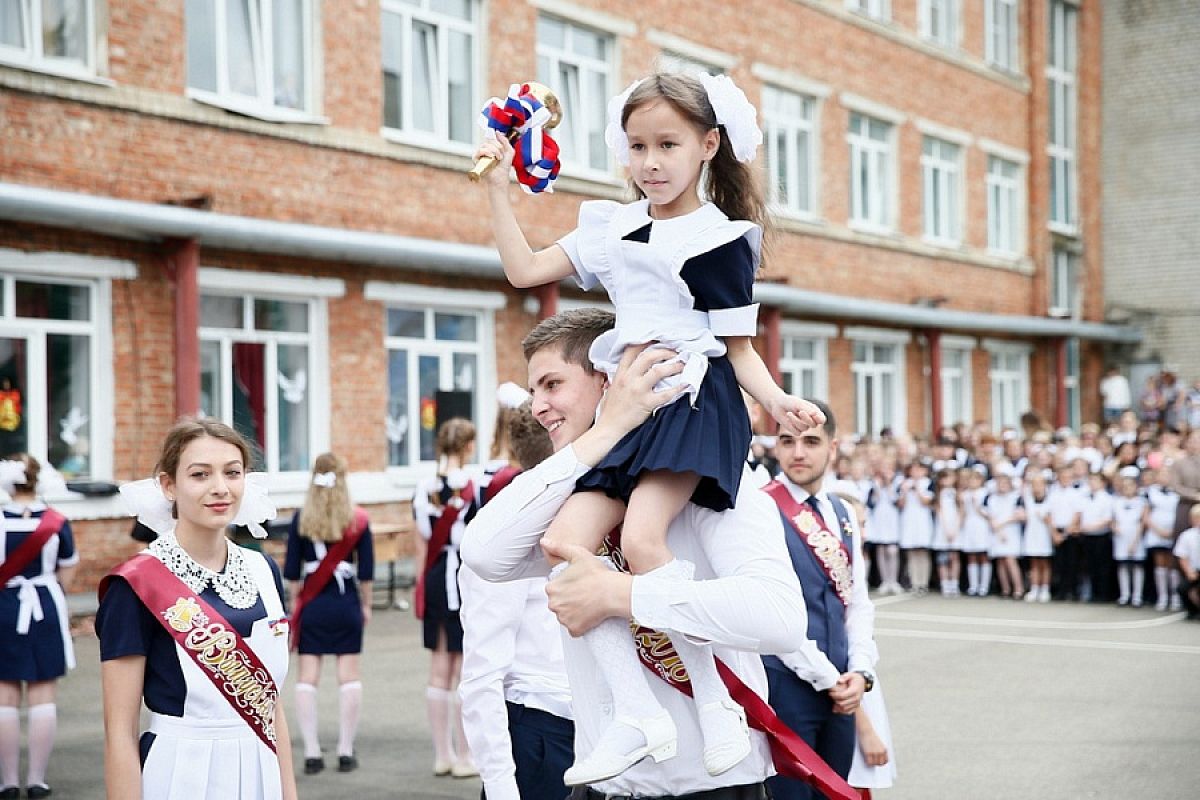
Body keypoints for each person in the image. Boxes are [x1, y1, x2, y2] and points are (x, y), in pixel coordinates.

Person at [474, 71, 824, 782]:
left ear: (708, 145)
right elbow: (522, 271)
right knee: (567, 541)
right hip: (627, 412)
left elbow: (738, 349)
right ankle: (637, 712)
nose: (651, 162)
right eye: (637, 146)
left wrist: (778, 401)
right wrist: (496, 189)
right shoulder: (614, 224)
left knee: (638, 541)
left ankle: (714, 705)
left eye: (668, 144)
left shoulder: (721, 240)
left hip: (691, 404)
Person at [463, 309, 847, 800]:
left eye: (552, 385)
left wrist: (623, 593)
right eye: (534, 390)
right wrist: (610, 429)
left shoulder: (714, 476)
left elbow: (779, 619)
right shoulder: (565, 492)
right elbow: (484, 554)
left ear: (609, 376)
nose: (538, 406)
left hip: (710, 786)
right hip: (603, 783)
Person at [96, 417, 296, 800]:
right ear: (169, 485)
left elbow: (270, 706)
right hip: (178, 771)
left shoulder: (263, 569)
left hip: (260, 768)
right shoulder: (135, 584)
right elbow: (119, 731)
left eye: (232, 473)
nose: (220, 488)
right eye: (200, 475)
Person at [760, 405, 878, 800]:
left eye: (811, 442)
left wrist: (860, 671)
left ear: (832, 447)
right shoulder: (760, 509)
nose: (798, 453)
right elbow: (767, 613)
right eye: (787, 441)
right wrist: (830, 679)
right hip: (786, 685)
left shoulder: (843, 511)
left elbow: (858, 602)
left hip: (842, 689)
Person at [459, 398, 575, 800]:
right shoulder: (505, 533)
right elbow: (482, 673)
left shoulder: (594, 514)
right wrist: (500, 784)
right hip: (540, 735)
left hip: (591, 730)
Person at [284, 453, 373, 775]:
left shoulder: (300, 518)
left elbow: (292, 572)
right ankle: (346, 751)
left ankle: (311, 753)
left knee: (308, 677)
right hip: (345, 601)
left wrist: (296, 606)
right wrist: (365, 605)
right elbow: (366, 573)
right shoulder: (357, 518)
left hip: (314, 604)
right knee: (348, 676)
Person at [0, 455, 77, 799]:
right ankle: (37, 780)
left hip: (4, 605)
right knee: (43, 692)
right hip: (45, 605)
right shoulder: (57, 521)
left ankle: (7, 783)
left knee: (5, 696)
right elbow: (68, 572)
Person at [413, 418, 480, 778]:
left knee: (439, 669)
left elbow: (421, 543)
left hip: (437, 577)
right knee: (465, 670)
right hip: (465, 577)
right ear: (468, 446)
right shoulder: (476, 486)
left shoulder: (423, 487)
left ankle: (443, 754)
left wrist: (420, 587)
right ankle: (465, 756)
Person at [1110, 467, 1147, 607]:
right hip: (1121, 537)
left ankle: (1137, 596)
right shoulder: (1117, 502)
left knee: (1137, 566)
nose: (1127, 488)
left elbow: (1142, 522)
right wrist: (1115, 527)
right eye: (1125, 486)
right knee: (1123, 566)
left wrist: (1135, 540)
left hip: (1135, 537)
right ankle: (1124, 595)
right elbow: (1112, 519)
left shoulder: (1141, 502)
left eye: (1130, 485)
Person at [1021, 470, 1055, 603]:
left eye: (1040, 484)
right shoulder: (1028, 499)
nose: (1037, 487)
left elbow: (1051, 519)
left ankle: (1045, 589)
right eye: (1034, 484)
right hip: (1032, 534)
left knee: (1045, 563)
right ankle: (1034, 588)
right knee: (1034, 563)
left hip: (1045, 535)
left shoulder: (1050, 499)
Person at [929, 469, 961, 598]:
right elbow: (940, 512)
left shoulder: (958, 494)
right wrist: (946, 529)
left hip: (955, 530)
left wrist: (955, 529)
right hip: (942, 530)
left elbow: (961, 512)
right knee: (942, 559)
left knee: (954, 557)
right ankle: (945, 584)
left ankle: (954, 584)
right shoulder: (938, 494)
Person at [1172, 505, 1200, 619]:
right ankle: (1192, 611)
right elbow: (1182, 555)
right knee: (1182, 588)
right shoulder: (1187, 535)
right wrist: (1189, 572)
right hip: (1194, 570)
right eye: (1196, 518)